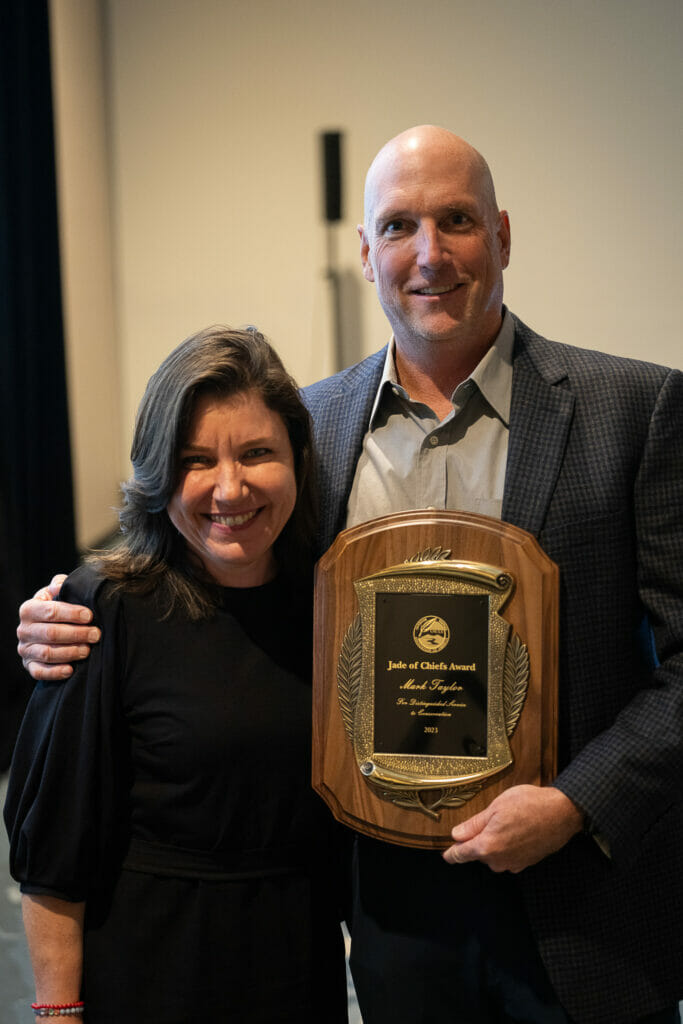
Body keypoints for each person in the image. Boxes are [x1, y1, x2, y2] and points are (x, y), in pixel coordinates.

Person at [15, 126, 683, 1023]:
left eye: (457, 220)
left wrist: (574, 805)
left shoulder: (636, 409)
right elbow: (211, 563)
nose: (429, 253)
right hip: (390, 913)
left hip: (582, 908)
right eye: (399, 226)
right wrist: (64, 615)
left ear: (503, 235)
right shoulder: (311, 430)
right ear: (367, 255)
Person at [6, 326, 348, 1023]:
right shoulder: (105, 610)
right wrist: (57, 1014)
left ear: (297, 461)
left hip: (294, 970)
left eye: (257, 453)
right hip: (150, 967)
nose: (230, 488)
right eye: (197, 460)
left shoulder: (335, 601)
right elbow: (54, 854)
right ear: (160, 474)